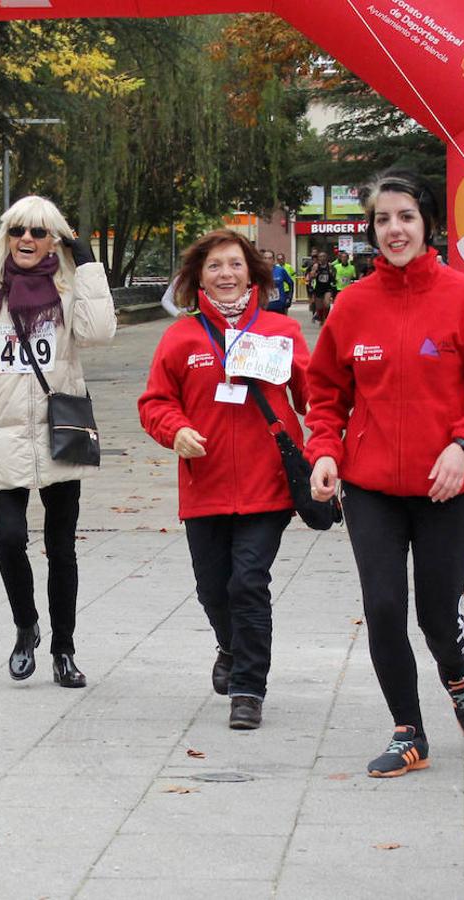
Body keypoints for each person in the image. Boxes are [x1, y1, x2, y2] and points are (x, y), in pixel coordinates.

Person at [306, 170, 464, 777]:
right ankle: (409, 732)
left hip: (446, 489)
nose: (393, 229)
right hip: (371, 489)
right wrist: (325, 451)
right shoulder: (353, 304)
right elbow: (327, 394)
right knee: (382, 607)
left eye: (405, 217)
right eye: (382, 219)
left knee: (436, 615)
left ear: (427, 224)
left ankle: (457, 673)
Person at [0, 196, 116, 688]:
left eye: (38, 231)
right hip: (4, 432)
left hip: (63, 430)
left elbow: (100, 333)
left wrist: (88, 264)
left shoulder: (70, 289)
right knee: (10, 540)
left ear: (55, 238)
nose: (27, 240)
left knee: (61, 548)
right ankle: (25, 626)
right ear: (6, 237)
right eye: (18, 231)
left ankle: (64, 648)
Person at [139, 229, 309, 730]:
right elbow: (155, 402)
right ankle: (230, 646)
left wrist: (326, 450)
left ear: (252, 272)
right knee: (214, 588)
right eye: (214, 266)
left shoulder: (282, 331)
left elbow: (318, 396)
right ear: (199, 277)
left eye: (235, 263)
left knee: (249, 582)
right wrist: (176, 430)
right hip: (204, 485)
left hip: (268, 484)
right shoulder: (181, 337)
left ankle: (248, 689)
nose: (226, 274)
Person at [307, 250, 336, 324]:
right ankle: (321, 319)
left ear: (326, 257)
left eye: (324, 256)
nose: (322, 258)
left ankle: (326, 318)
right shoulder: (316, 266)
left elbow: (334, 274)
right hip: (319, 287)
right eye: (320, 257)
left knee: (327, 303)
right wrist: (314, 274)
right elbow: (311, 276)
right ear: (318, 258)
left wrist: (332, 275)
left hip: (327, 287)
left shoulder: (330, 265)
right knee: (319, 307)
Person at [262, 249, 294, 314]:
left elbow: (291, 283)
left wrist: (289, 298)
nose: (267, 260)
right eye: (265, 258)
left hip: (279, 307)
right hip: (265, 307)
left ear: (273, 260)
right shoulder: (259, 272)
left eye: (269, 258)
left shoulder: (280, 270)